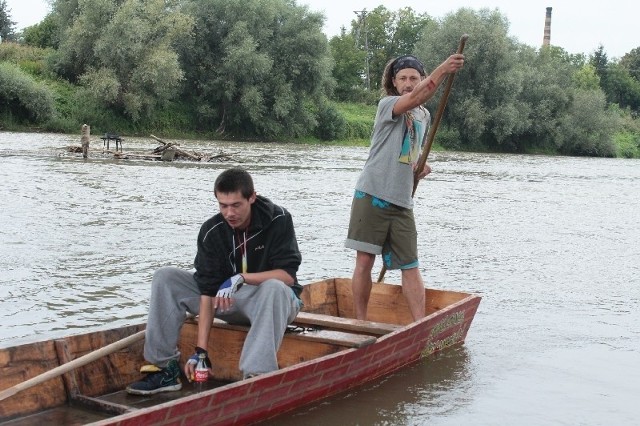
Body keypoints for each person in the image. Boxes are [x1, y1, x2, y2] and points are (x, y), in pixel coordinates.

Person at [127, 167, 303, 395]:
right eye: (223, 206)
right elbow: (207, 291)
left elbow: (288, 276)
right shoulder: (212, 231)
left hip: (272, 302)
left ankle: (256, 376)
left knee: (275, 288)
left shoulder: (278, 219)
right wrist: (201, 351)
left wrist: (241, 278)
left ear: (252, 197)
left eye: (236, 205)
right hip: (226, 301)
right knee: (166, 277)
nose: (230, 213)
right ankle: (164, 370)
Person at [345, 53, 464, 322]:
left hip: (401, 201)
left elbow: (411, 154)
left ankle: (419, 324)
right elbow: (418, 96)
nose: (408, 83)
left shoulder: (423, 115)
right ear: (394, 83)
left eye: (414, 77)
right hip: (372, 194)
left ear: (421, 78)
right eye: (403, 78)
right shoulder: (389, 104)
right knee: (364, 261)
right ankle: (360, 322)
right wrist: (444, 69)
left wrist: (418, 169)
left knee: (410, 265)